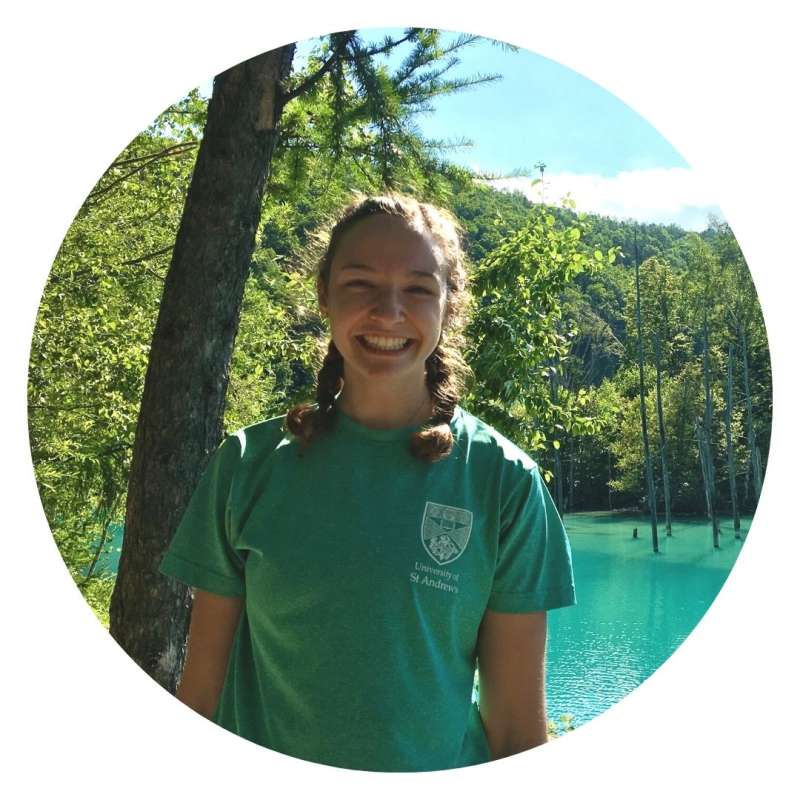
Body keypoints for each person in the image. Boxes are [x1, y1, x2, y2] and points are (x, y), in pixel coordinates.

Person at [159, 193, 576, 772]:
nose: (388, 311)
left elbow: (515, 730)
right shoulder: (247, 465)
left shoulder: (504, 481)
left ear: (449, 305)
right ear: (324, 296)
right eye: (360, 284)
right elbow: (201, 698)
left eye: (418, 289)